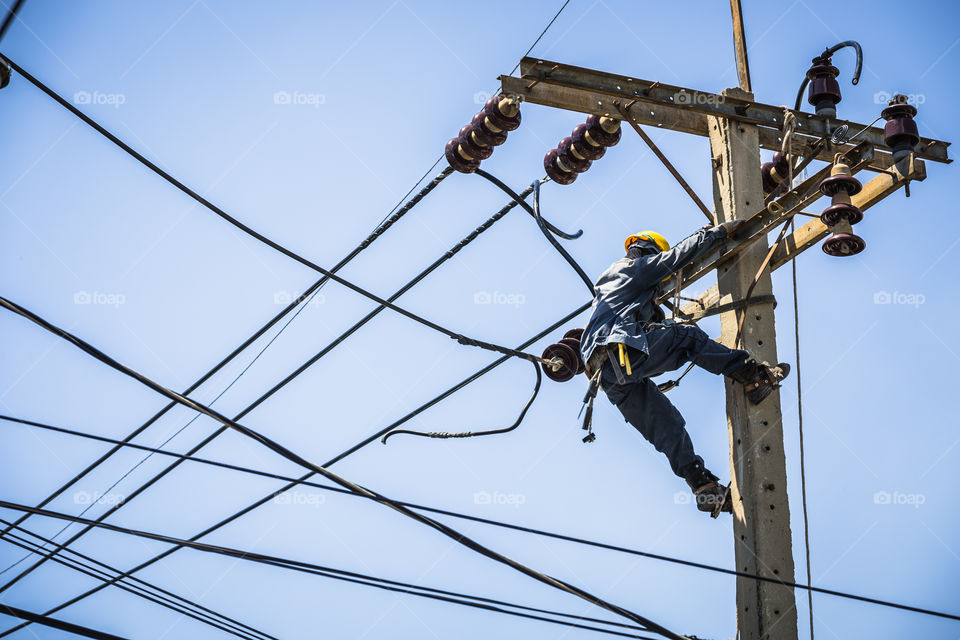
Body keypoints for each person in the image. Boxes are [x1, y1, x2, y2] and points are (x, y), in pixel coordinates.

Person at [579, 225, 790, 517]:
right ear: (646, 250)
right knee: (687, 336)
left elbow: (645, 317)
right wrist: (715, 235)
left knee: (666, 424)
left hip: (610, 374)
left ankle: (703, 487)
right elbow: (675, 258)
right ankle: (751, 375)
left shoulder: (615, 293)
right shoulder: (628, 269)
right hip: (620, 353)